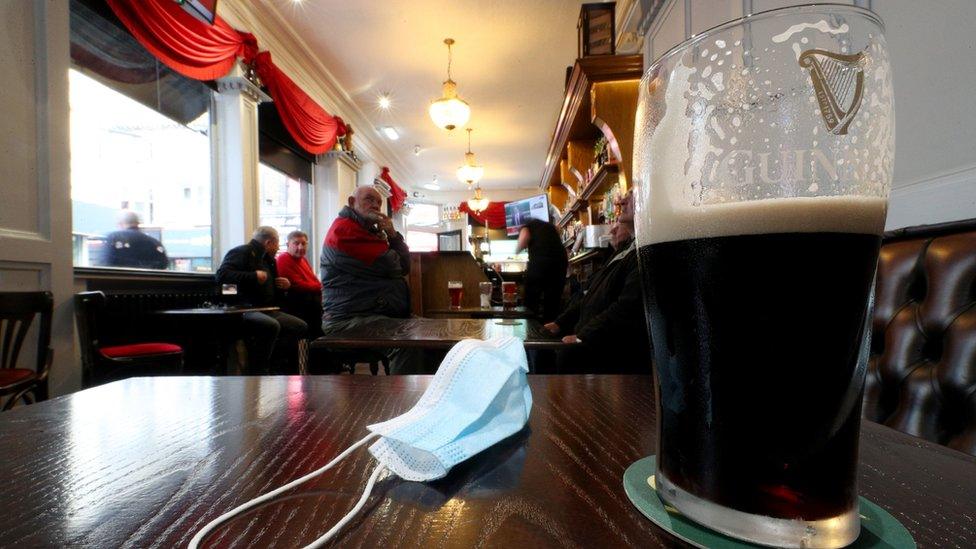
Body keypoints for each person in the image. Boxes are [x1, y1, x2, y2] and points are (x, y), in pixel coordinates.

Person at [544, 190, 649, 373]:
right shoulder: (623, 253)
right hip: (590, 348)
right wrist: (560, 323)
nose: (622, 200)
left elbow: (628, 308)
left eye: (632, 195)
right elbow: (590, 295)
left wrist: (584, 336)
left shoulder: (644, 252)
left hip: (610, 359)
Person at [320, 186, 416, 373]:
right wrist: (392, 237)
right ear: (351, 202)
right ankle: (406, 400)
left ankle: (431, 396)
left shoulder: (364, 230)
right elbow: (398, 266)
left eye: (379, 202)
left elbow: (402, 266)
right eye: (369, 199)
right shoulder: (345, 231)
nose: (375, 205)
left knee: (431, 339)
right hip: (347, 320)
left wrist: (391, 236)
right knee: (407, 343)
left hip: (369, 314)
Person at [216, 226, 307, 374]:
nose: (278, 248)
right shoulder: (242, 252)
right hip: (243, 309)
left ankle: (279, 368)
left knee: (299, 326)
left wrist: (283, 285)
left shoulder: (268, 259)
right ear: (269, 242)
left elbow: (271, 284)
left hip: (267, 308)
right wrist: (253, 276)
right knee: (271, 325)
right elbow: (222, 277)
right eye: (277, 244)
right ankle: (259, 371)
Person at [517, 218, 568, 322]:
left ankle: (530, 326)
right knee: (553, 300)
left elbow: (522, 243)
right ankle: (549, 328)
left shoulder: (526, 226)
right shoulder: (549, 226)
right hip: (560, 263)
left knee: (531, 299)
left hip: (541, 262)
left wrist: (516, 250)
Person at [276, 230, 323, 339]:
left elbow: (314, 281)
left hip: (310, 304)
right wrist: (321, 287)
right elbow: (298, 285)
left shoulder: (303, 260)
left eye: (304, 243)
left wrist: (320, 286)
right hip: (297, 306)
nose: (301, 247)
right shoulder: (283, 259)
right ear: (288, 245)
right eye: (296, 243)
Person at [101, 210, 169, 269]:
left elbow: (106, 262)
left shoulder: (114, 237)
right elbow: (163, 264)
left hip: (119, 281)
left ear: (120, 223)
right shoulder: (155, 243)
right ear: (137, 223)